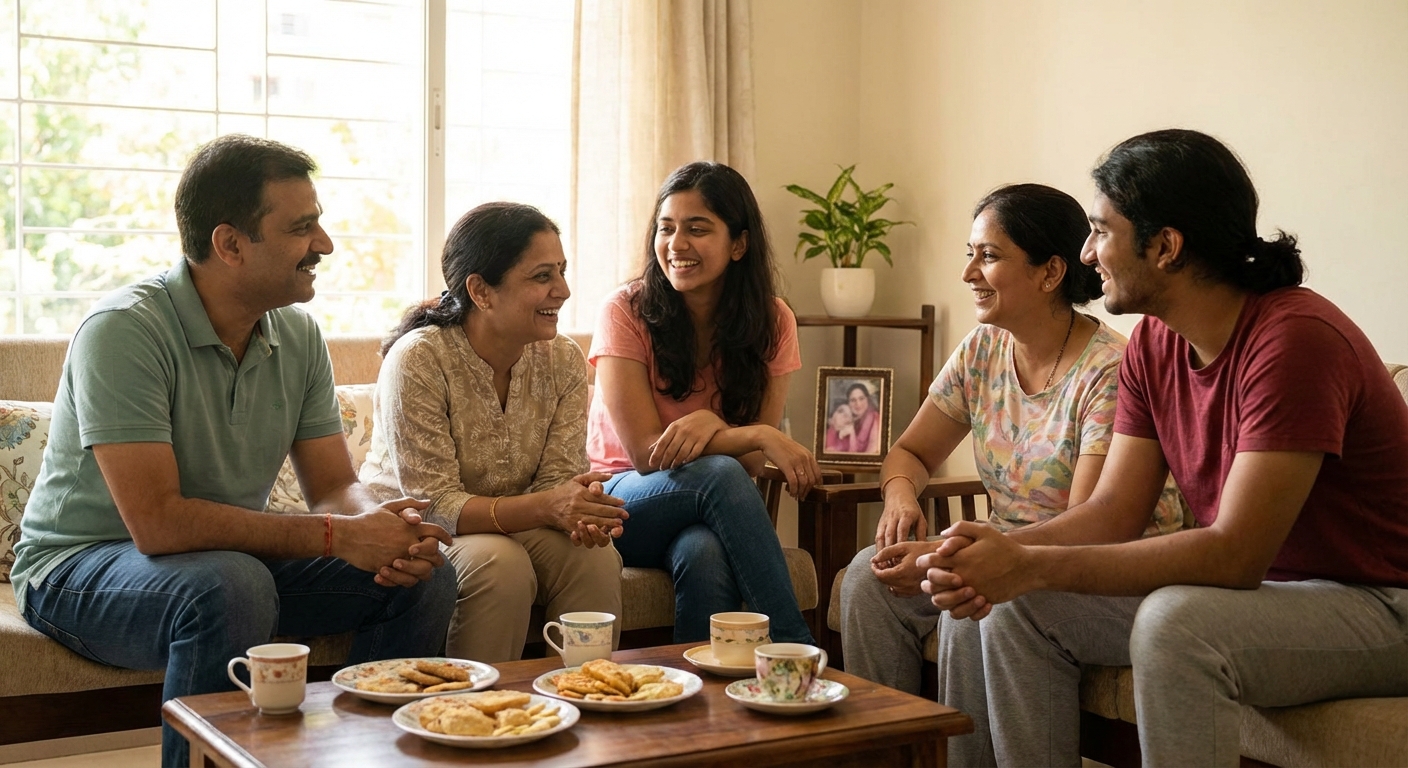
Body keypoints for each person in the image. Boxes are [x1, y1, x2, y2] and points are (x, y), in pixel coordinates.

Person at [922, 130, 1408, 767]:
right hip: (1265, 598)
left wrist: (1031, 564)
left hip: (1379, 604)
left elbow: (1235, 555)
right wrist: (999, 557)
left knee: (1175, 622)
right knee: (1004, 606)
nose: (1087, 253)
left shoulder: (1296, 340)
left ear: (1165, 247)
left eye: (1101, 231)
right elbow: (1112, 514)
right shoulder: (1154, 344)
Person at [10, 135, 458, 767]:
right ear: (230, 244)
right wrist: (338, 536)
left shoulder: (297, 334)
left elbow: (333, 485)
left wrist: (378, 529)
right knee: (229, 585)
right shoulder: (124, 332)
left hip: (221, 562)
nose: (325, 244)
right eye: (302, 228)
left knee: (422, 575)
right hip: (79, 567)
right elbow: (159, 524)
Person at [839, 184, 1184, 697]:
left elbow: (1091, 525)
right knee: (867, 579)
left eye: (989, 256)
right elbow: (910, 453)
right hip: (1002, 554)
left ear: (1050, 272)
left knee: (975, 595)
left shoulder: (1109, 369)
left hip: (1098, 571)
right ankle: (890, 740)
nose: (968, 273)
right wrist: (900, 498)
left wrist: (950, 555)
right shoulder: (983, 349)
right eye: (970, 254)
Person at [360, 202, 626, 662]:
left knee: (595, 558)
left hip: (518, 522)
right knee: (499, 564)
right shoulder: (419, 358)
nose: (563, 290)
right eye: (542, 276)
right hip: (422, 530)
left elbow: (557, 481)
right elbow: (436, 505)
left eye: (562, 271)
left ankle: (586, 695)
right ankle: (479, 703)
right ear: (481, 291)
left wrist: (581, 510)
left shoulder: (562, 358)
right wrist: (548, 505)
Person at [587, 161, 818, 644]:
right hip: (619, 500)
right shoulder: (624, 310)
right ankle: (796, 651)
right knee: (720, 473)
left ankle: (698, 688)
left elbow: (751, 464)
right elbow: (647, 454)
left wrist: (712, 425)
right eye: (666, 228)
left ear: (739, 244)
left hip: (706, 508)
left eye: (697, 229)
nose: (676, 244)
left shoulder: (774, 321)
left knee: (705, 553)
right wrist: (753, 433)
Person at [845, 381, 883, 453]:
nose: (858, 404)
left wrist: (852, 434)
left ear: (867, 399)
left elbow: (871, 454)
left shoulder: (875, 419)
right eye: (853, 400)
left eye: (861, 398)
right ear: (848, 403)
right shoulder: (846, 419)